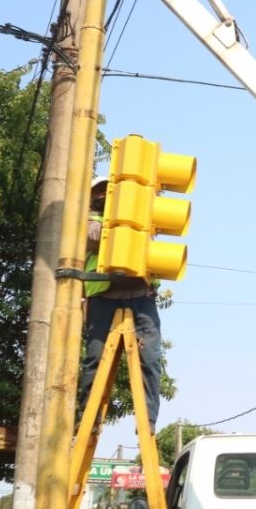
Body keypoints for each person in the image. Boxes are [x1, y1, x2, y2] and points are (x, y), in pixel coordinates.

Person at [77, 176, 163, 429]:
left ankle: (147, 420)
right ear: (92, 198)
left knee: (150, 360)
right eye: (98, 193)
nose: (102, 196)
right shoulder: (89, 222)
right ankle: (89, 418)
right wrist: (122, 227)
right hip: (104, 298)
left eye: (107, 192)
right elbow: (92, 237)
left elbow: (156, 210)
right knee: (94, 359)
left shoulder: (142, 219)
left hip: (141, 297)